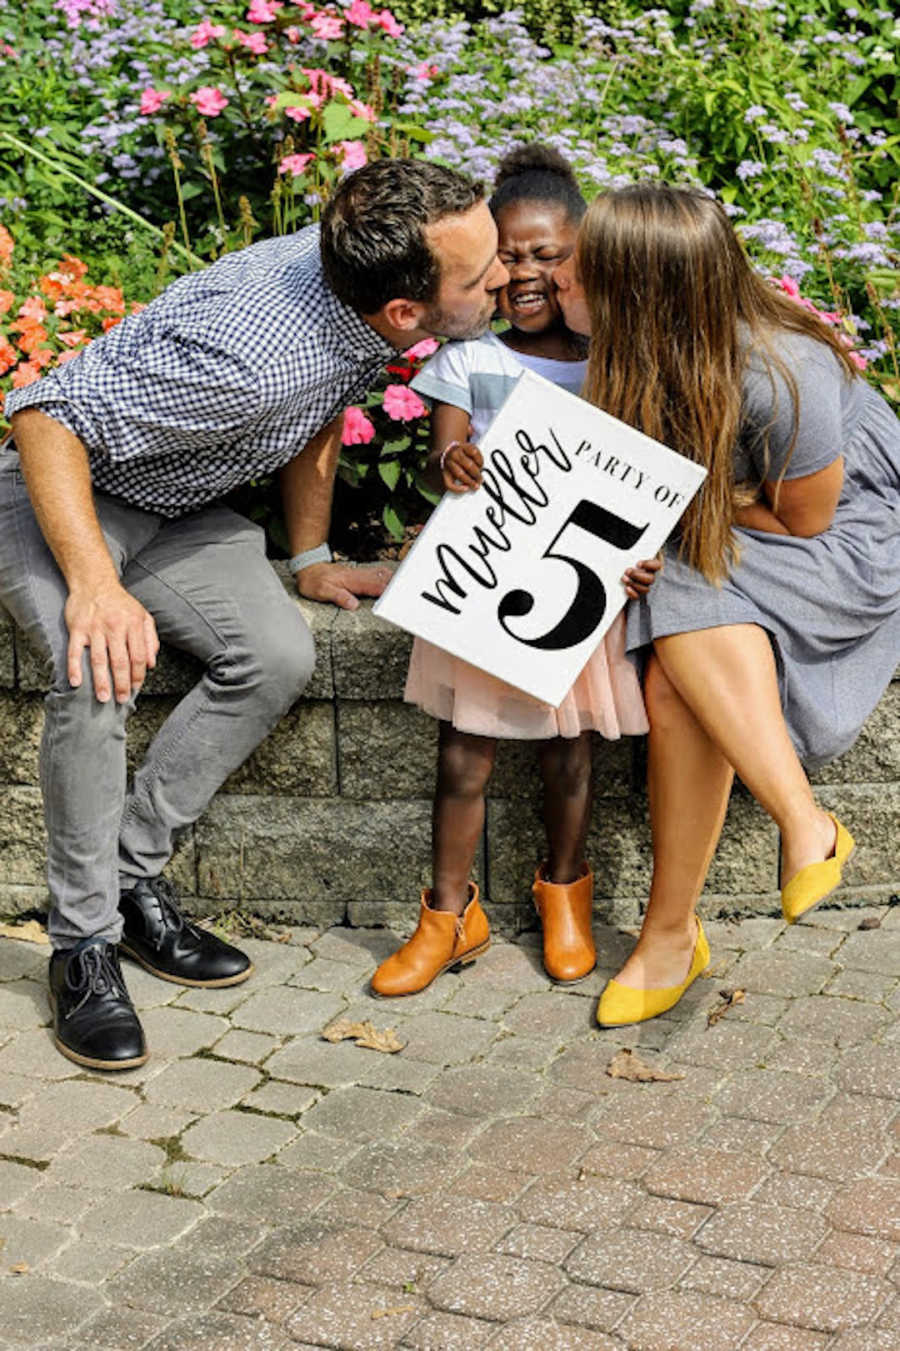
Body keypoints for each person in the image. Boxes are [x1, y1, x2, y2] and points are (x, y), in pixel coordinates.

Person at [0, 158, 510, 1070]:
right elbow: (43, 414)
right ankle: (81, 942)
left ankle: (128, 875)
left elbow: (324, 403)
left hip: (177, 506)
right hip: (63, 497)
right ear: (406, 313)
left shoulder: (358, 290)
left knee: (276, 656)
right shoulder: (251, 354)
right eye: (481, 275)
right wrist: (95, 585)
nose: (504, 277)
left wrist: (309, 559)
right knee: (98, 666)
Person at [553, 182, 900, 1026]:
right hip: (734, 517)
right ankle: (795, 837)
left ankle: (682, 922)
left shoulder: (782, 370)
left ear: (637, 294)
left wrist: (676, 511)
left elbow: (803, 516)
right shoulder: (637, 354)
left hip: (846, 535)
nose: (557, 280)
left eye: (579, 268)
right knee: (674, 670)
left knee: (676, 610)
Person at [370, 145, 659, 999]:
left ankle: (564, 890)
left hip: (576, 594)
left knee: (570, 756)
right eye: (512, 255)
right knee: (462, 756)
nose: (527, 272)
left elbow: (639, 483)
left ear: (583, 260)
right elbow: (435, 462)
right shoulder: (467, 359)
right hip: (482, 585)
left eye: (550, 255)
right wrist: (452, 464)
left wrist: (640, 557)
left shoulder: (612, 362)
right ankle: (448, 914)